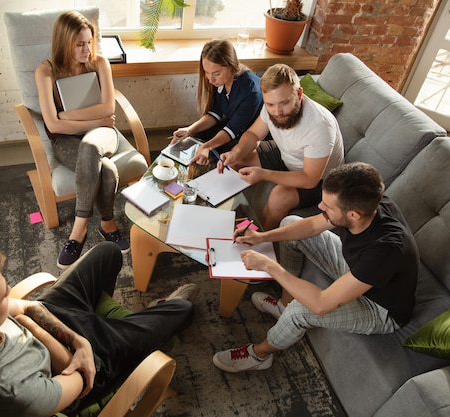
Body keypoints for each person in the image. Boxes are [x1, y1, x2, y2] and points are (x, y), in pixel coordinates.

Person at [0, 242, 200, 416]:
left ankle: (118, 324)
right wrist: (84, 346)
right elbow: (82, 381)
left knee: (108, 252)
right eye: (2, 295)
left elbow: (27, 308)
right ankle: (133, 331)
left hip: (61, 325)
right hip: (91, 366)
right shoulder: (17, 393)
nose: (10, 289)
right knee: (184, 310)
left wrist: (72, 339)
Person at [212, 162, 418, 373]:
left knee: (300, 310)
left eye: (327, 206)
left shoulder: (386, 250)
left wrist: (269, 265)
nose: (320, 207)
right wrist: (262, 237)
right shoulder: (372, 202)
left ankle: (259, 355)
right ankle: (283, 303)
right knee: (289, 222)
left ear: (353, 215)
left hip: (379, 308)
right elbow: (311, 225)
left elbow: (320, 304)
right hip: (357, 271)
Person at [35, 11, 130, 269]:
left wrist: (68, 116)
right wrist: (95, 121)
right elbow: (53, 124)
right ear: (64, 42)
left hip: (101, 135)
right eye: (80, 44)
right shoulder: (46, 71)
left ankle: (78, 231)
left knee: (90, 146)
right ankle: (107, 223)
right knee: (107, 169)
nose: (87, 49)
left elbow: (107, 108)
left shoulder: (99, 62)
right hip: (65, 139)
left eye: (90, 42)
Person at [219, 63, 344, 230]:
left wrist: (263, 174)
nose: (277, 111)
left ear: (299, 94)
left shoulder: (320, 126)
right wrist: (236, 153)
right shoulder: (273, 105)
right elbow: (254, 134)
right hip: (288, 154)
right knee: (235, 160)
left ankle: (259, 241)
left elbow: (309, 179)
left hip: (320, 179)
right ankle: (229, 220)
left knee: (279, 196)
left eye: (284, 103)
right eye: (270, 104)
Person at [171, 39, 263, 165]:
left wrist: (207, 147)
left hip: (249, 134)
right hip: (232, 126)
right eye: (207, 73)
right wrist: (190, 129)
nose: (210, 79)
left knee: (209, 158)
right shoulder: (221, 81)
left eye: (216, 73)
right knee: (191, 137)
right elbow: (216, 112)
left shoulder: (251, 92)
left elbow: (233, 129)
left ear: (231, 66)